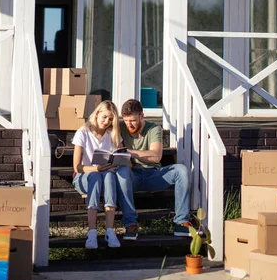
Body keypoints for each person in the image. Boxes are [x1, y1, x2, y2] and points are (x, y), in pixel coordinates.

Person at [115, 98, 191, 241]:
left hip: (154, 174)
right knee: (122, 172)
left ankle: (181, 222)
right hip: (133, 175)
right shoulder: (120, 127)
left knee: (181, 170)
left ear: (142, 116)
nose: (129, 124)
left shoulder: (154, 128)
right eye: (126, 120)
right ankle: (130, 223)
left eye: (132, 120)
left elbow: (156, 156)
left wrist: (129, 152)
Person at [72, 100, 122, 249]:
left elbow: (122, 157)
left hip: (105, 176)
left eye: (111, 119)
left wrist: (115, 162)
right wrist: (96, 169)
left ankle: (109, 231)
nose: (107, 122)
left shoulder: (112, 134)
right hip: (85, 177)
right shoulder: (83, 133)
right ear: (97, 113)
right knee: (96, 176)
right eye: (104, 117)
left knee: (109, 175)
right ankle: (92, 232)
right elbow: (77, 167)